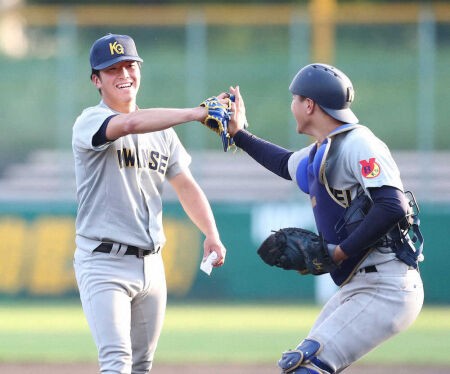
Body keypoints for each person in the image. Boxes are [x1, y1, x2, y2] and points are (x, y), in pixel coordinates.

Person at [223, 63, 424, 373]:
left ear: (309, 105)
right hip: (360, 285)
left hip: (387, 285)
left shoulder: (359, 143)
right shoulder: (323, 149)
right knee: (305, 365)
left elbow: (392, 205)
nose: (292, 105)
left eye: (295, 98)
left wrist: (339, 252)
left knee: (304, 367)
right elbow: (284, 163)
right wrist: (238, 134)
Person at [72, 33, 226, 373]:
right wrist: (196, 113)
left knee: (142, 365)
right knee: (117, 362)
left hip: (151, 264)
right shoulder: (89, 122)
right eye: (112, 69)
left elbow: (185, 185)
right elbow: (128, 123)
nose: (124, 74)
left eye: (130, 65)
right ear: (96, 80)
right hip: (103, 263)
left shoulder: (163, 132)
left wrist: (211, 233)